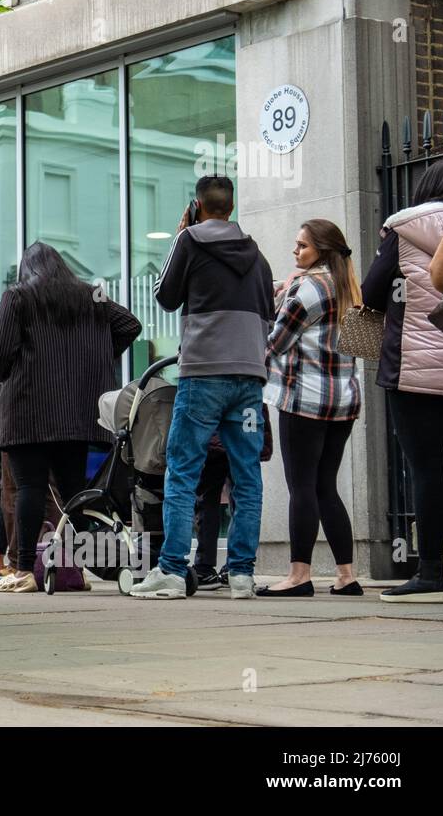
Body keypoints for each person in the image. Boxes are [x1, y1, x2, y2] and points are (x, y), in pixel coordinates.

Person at [131, 175, 274, 601]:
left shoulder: (189, 240)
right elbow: (268, 311)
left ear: (197, 206)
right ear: (230, 207)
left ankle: (173, 571)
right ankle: (242, 576)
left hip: (204, 374)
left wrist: (179, 235)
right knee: (247, 475)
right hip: (248, 379)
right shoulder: (256, 252)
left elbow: (165, 296)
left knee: (184, 469)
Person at [0, 244, 141, 593]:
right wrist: (96, 356)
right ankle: (86, 571)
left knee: (30, 487)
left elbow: (0, 357)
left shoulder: (17, 296)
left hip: (29, 409)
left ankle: (25, 570)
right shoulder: (92, 294)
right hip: (77, 411)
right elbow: (130, 324)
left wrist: (5, 366)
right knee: (75, 493)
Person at [255, 220, 363, 597]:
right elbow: (361, 348)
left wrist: (277, 303)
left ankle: (299, 575)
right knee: (325, 486)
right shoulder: (350, 286)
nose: (295, 251)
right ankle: (347, 575)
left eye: (302, 246)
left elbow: (276, 342)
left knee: (301, 486)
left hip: (304, 399)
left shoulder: (308, 289)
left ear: (321, 249)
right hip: (344, 400)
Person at [361, 161, 443, 603]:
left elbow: (372, 293)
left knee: (427, 471)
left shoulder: (404, 230)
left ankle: (431, 572)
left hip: (414, 372)